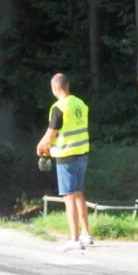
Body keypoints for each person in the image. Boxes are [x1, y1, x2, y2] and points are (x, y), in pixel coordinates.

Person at [36, 73, 92, 251]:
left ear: (54, 88)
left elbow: (51, 134)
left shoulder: (58, 107)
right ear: (67, 86)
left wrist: (41, 146)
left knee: (69, 197)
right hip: (82, 153)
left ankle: (74, 239)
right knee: (79, 193)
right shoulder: (80, 103)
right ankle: (86, 235)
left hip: (66, 156)